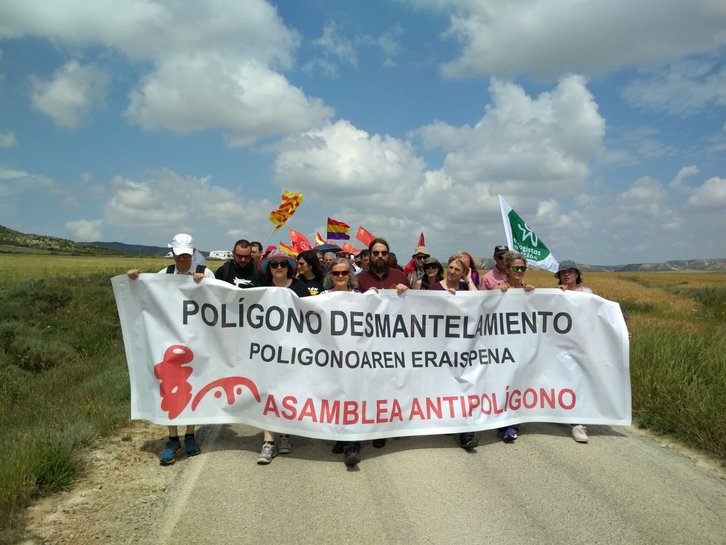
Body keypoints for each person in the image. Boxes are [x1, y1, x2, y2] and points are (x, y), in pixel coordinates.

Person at [127, 233, 215, 465]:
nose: (183, 259)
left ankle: (190, 434)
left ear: (192, 253)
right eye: (179, 255)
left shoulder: (205, 273)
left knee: (193, 384)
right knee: (169, 386)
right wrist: (134, 279)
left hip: (196, 340)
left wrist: (204, 284)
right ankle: (173, 438)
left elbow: (217, 299)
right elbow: (145, 296)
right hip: (168, 341)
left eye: (187, 255)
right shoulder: (163, 275)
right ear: (174, 254)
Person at [256, 249, 310, 464]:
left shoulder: (299, 288)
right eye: (274, 264)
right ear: (269, 268)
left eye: (283, 264)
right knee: (269, 393)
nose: (279, 267)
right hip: (268, 350)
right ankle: (268, 442)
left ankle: (286, 433)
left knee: (289, 391)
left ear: (290, 268)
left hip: (294, 350)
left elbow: (312, 314)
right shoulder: (261, 290)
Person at [427, 254, 477, 448]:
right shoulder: (435, 287)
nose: (453, 271)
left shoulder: (465, 288)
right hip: (439, 345)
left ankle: (466, 432)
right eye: (451, 267)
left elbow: (478, 301)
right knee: (444, 385)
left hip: (461, 346)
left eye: (458, 269)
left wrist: (469, 280)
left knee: (462, 385)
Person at [321, 258, 364, 466]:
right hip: (330, 359)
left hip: (354, 359)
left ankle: (351, 444)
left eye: (344, 273)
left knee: (351, 397)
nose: (340, 277)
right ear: (330, 275)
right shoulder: (321, 297)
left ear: (350, 275)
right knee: (335, 397)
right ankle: (340, 436)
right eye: (336, 273)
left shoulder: (361, 298)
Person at [497, 251, 535, 442]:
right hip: (502, 346)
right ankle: (505, 422)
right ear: (508, 269)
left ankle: (512, 422)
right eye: (516, 268)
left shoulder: (529, 290)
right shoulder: (499, 289)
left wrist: (533, 295)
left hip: (522, 346)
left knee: (518, 382)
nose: (519, 271)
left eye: (522, 268)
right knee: (504, 382)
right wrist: (498, 293)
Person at [555, 259, 592, 443]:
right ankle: (567, 416)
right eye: (563, 272)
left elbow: (597, 317)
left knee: (578, 381)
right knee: (564, 380)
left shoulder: (587, 293)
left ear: (577, 274)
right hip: (560, 346)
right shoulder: (555, 294)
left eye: (571, 271)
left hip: (581, 345)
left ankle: (577, 423)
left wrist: (619, 333)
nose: (567, 274)